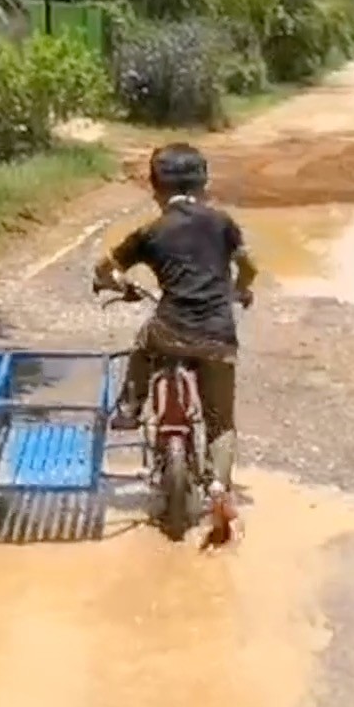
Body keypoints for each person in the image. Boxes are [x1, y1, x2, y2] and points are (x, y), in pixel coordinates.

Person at [92, 144, 258, 500]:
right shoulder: (222, 223)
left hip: (170, 328)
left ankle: (130, 408)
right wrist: (240, 290)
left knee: (143, 343)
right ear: (204, 185)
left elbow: (106, 268)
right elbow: (249, 266)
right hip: (218, 334)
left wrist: (116, 283)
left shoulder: (151, 231)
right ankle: (218, 488)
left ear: (155, 187)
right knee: (220, 423)